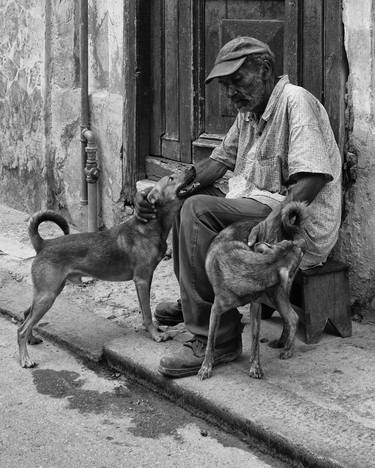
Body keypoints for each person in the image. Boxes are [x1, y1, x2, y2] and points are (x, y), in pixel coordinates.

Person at [135, 37, 342, 378]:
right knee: (183, 201)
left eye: (238, 82)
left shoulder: (295, 102)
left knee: (198, 211)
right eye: (226, 86)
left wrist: (276, 220)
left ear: (264, 70)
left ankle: (219, 339)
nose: (231, 94)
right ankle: (199, 300)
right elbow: (217, 163)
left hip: (294, 223)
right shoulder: (249, 112)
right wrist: (169, 184)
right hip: (253, 209)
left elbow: (312, 180)